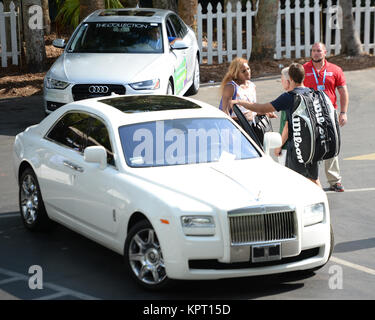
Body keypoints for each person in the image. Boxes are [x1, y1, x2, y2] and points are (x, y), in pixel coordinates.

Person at [230, 63, 322, 187]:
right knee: (314, 180)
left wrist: (241, 102)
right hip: (313, 145)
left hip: (296, 148)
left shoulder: (289, 97)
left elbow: (262, 108)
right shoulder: (312, 93)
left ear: (289, 79)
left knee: (294, 182)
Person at [303, 42, 349, 192]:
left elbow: (343, 92)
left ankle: (334, 180)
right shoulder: (303, 69)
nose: (316, 53)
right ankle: (310, 180)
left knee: (331, 145)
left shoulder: (335, 70)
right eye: (313, 51)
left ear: (325, 52)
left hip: (329, 113)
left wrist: (343, 112)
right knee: (311, 146)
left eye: (319, 51)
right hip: (310, 113)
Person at [219, 57, 257, 122]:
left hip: (252, 126)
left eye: (248, 69)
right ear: (236, 74)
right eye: (243, 71)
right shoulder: (231, 87)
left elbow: (254, 108)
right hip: (237, 126)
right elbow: (225, 112)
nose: (247, 72)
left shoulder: (252, 85)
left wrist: (265, 112)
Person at [274, 67, 290, 166]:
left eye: (282, 80)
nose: (281, 82)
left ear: (288, 81)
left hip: (287, 147)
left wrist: (279, 145)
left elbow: (288, 126)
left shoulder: (287, 98)